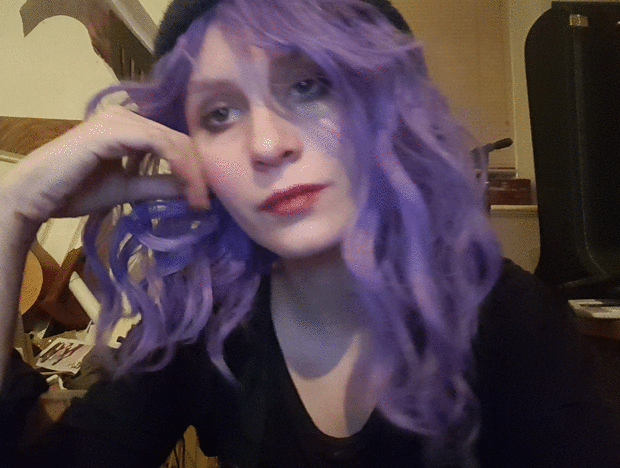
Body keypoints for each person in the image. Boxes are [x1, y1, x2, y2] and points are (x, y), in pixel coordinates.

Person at [0, 0, 618, 467]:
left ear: (383, 109)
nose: (267, 145)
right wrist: (13, 212)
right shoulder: (206, 330)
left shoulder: (511, 321)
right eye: (220, 113)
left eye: (308, 85)